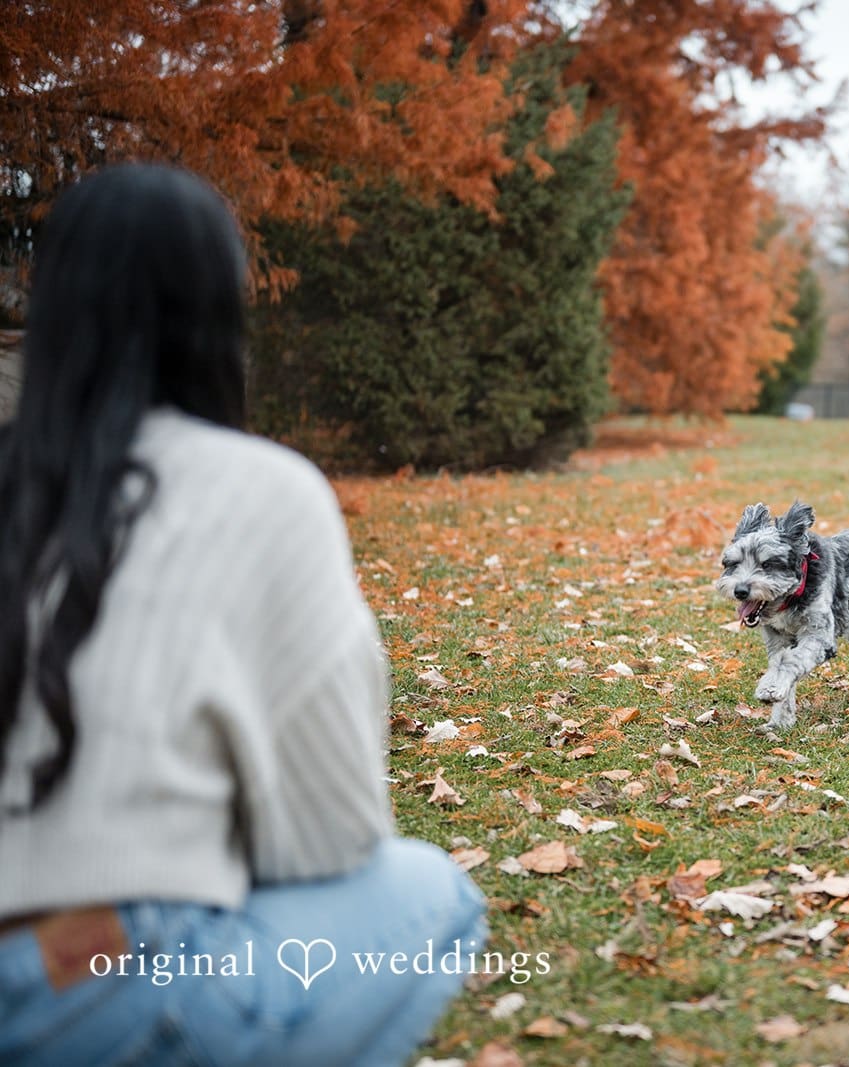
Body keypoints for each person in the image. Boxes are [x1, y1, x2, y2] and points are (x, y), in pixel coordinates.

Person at [0, 163, 486, 1066]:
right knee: (431, 892)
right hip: (93, 969)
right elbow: (330, 835)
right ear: (220, 317)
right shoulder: (264, 489)